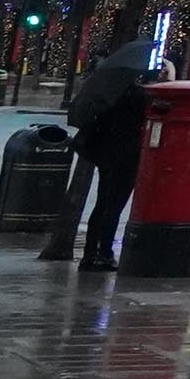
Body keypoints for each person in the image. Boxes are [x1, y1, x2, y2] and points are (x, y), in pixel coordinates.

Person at [65, 40, 150, 272]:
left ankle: (90, 253)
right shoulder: (137, 96)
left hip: (105, 156)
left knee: (102, 203)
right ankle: (105, 253)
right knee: (114, 206)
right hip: (127, 157)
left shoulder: (105, 95)